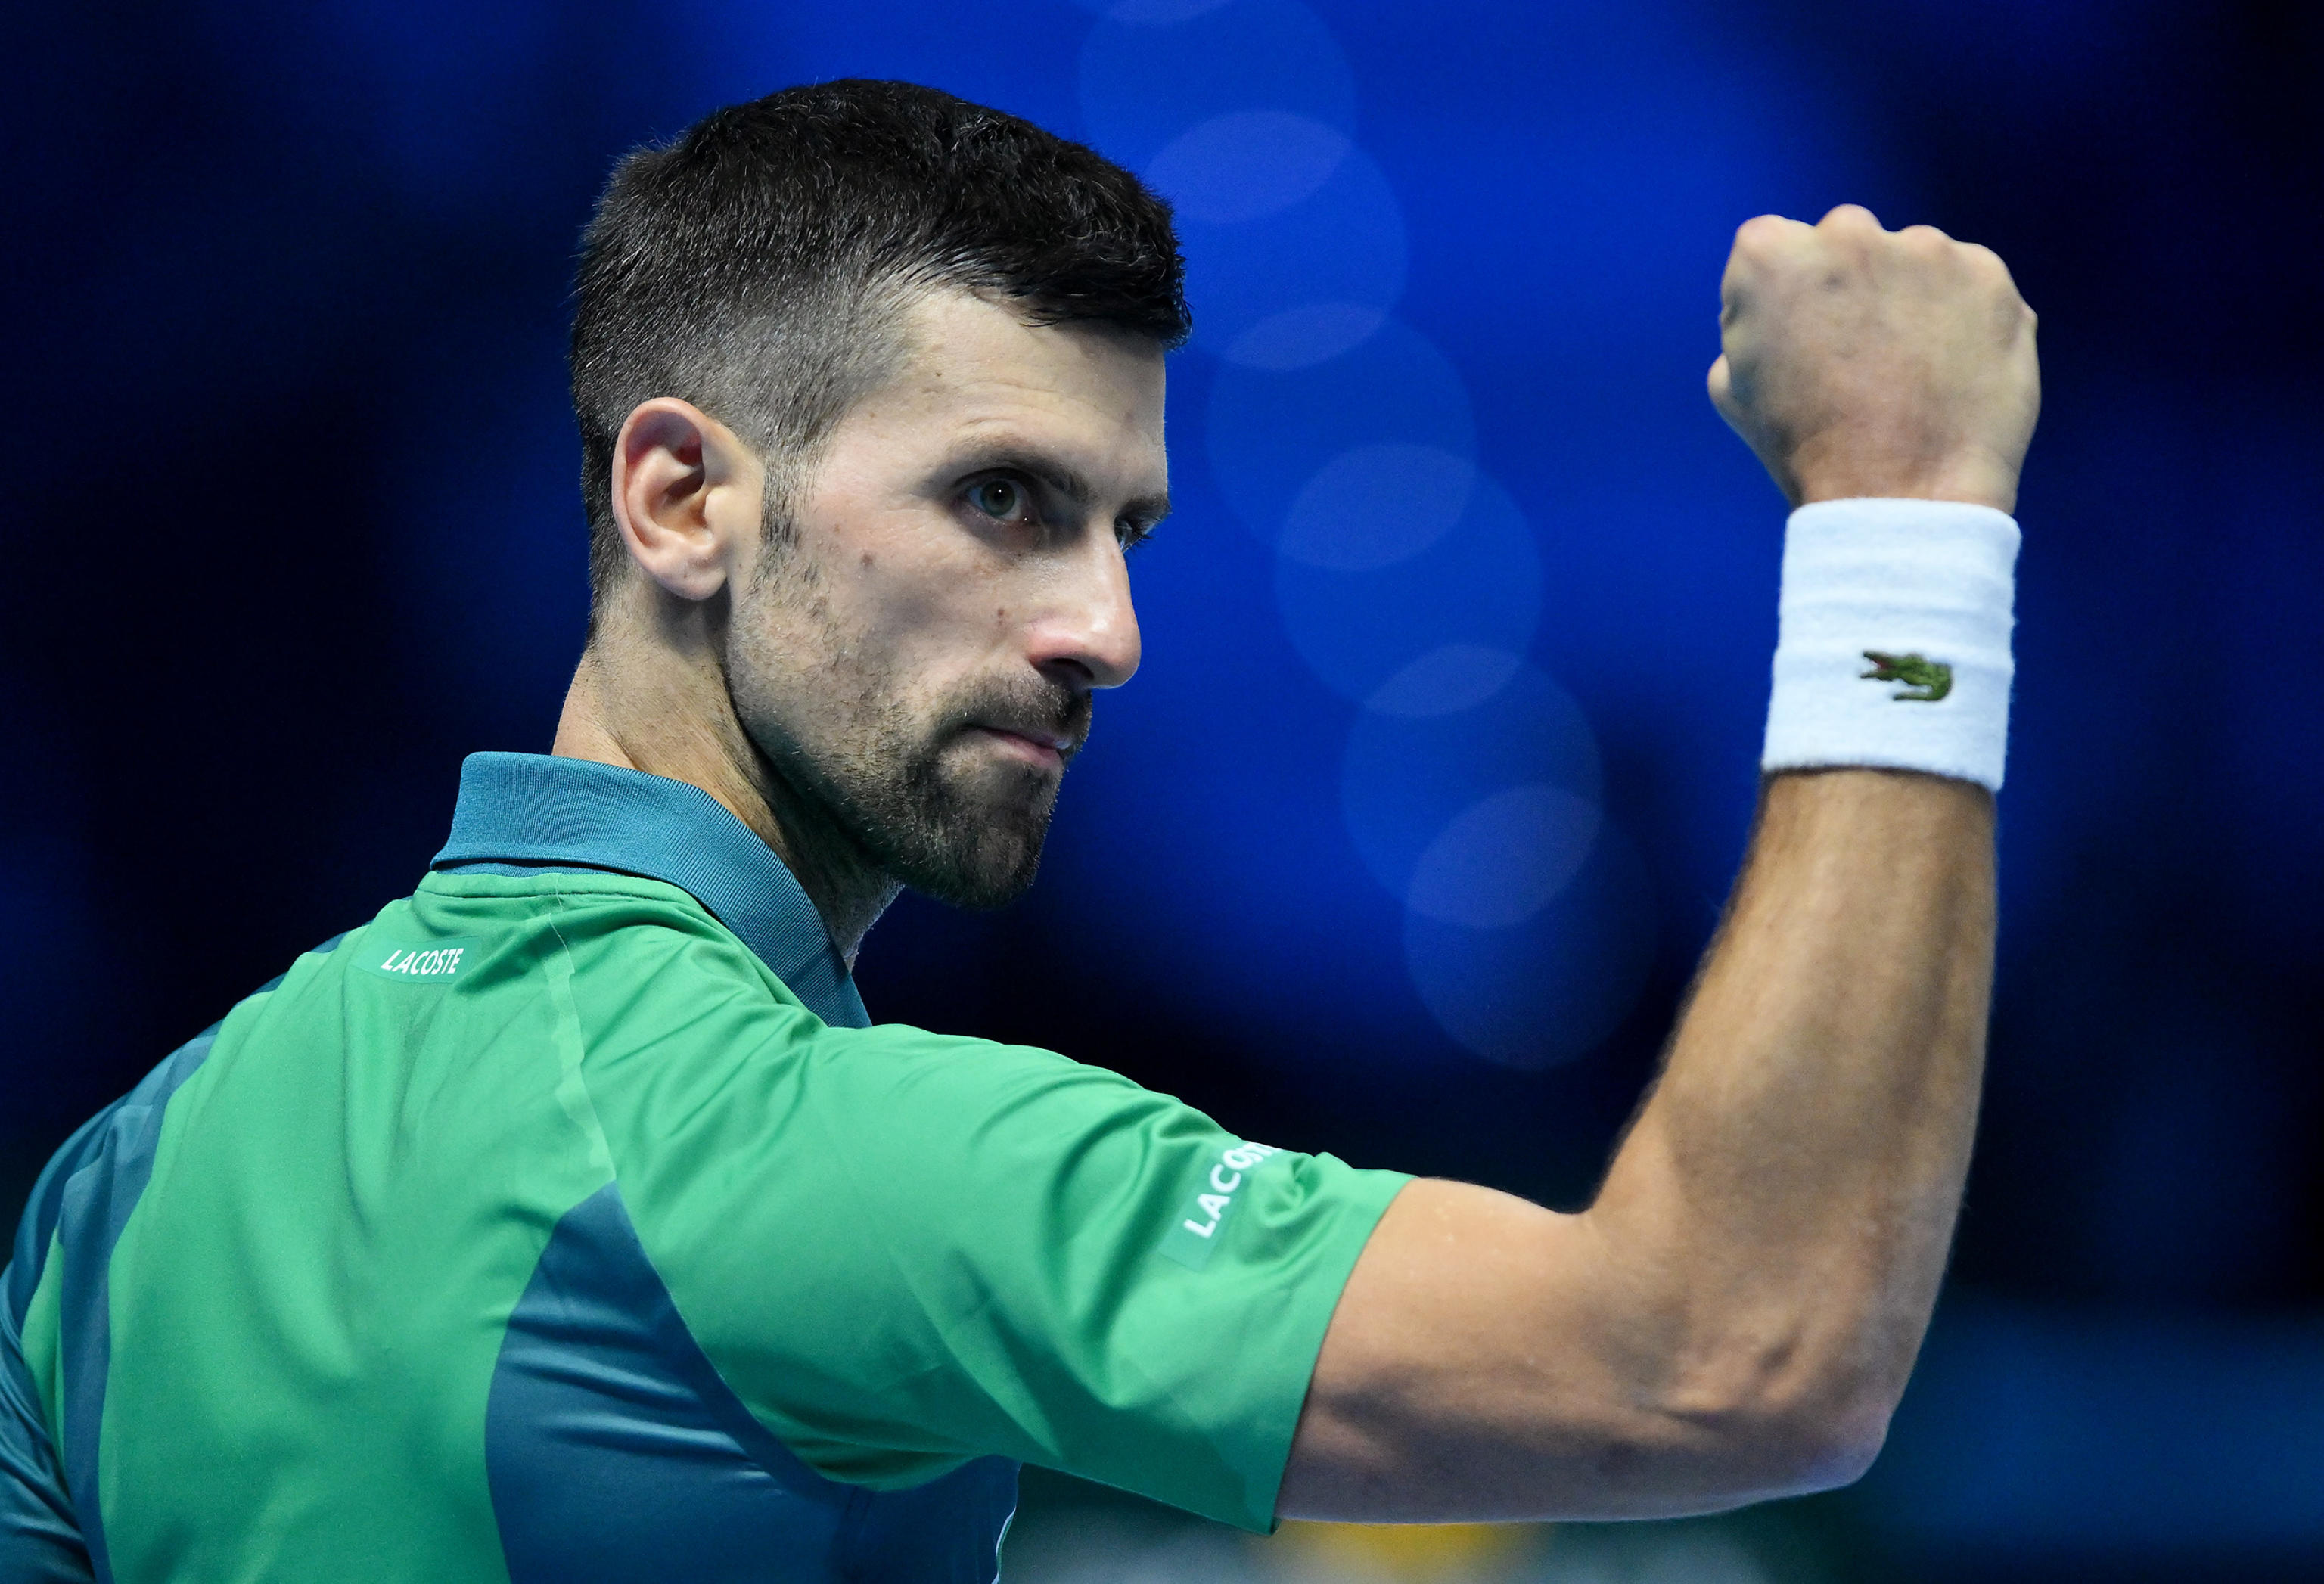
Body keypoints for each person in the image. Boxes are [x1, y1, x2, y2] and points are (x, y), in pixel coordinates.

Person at [0, 78, 2037, 1582]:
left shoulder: (127, 1180)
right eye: (1001, 500)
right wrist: (1905, 513)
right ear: (679, 499)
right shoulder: (820, 1156)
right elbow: (1742, 1355)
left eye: (1122, 528)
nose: (1107, 632)